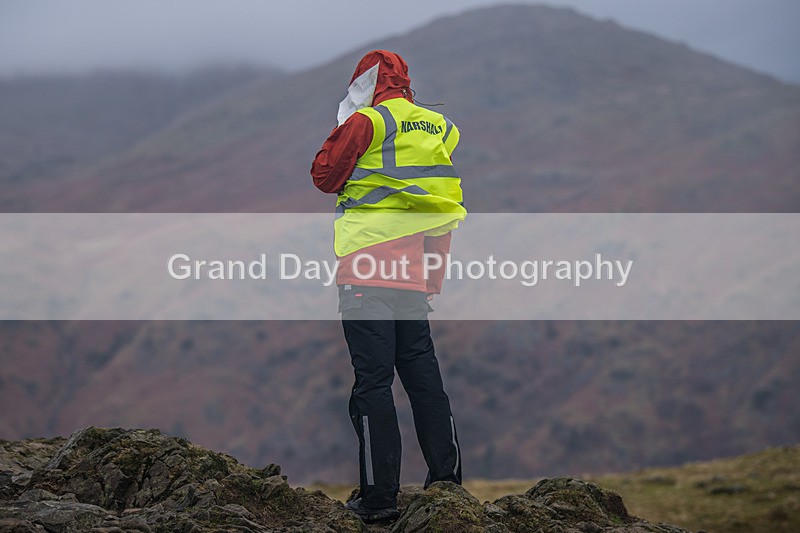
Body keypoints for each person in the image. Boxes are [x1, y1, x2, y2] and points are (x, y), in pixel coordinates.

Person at [310, 50, 465, 523]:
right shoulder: (440, 129)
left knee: (373, 385)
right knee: (424, 380)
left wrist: (350, 122)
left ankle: (379, 500)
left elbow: (322, 176)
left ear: (365, 83)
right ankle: (447, 484)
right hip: (412, 275)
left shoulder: (368, 123)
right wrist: (432, 276)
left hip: (365, 272)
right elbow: (440, 205)